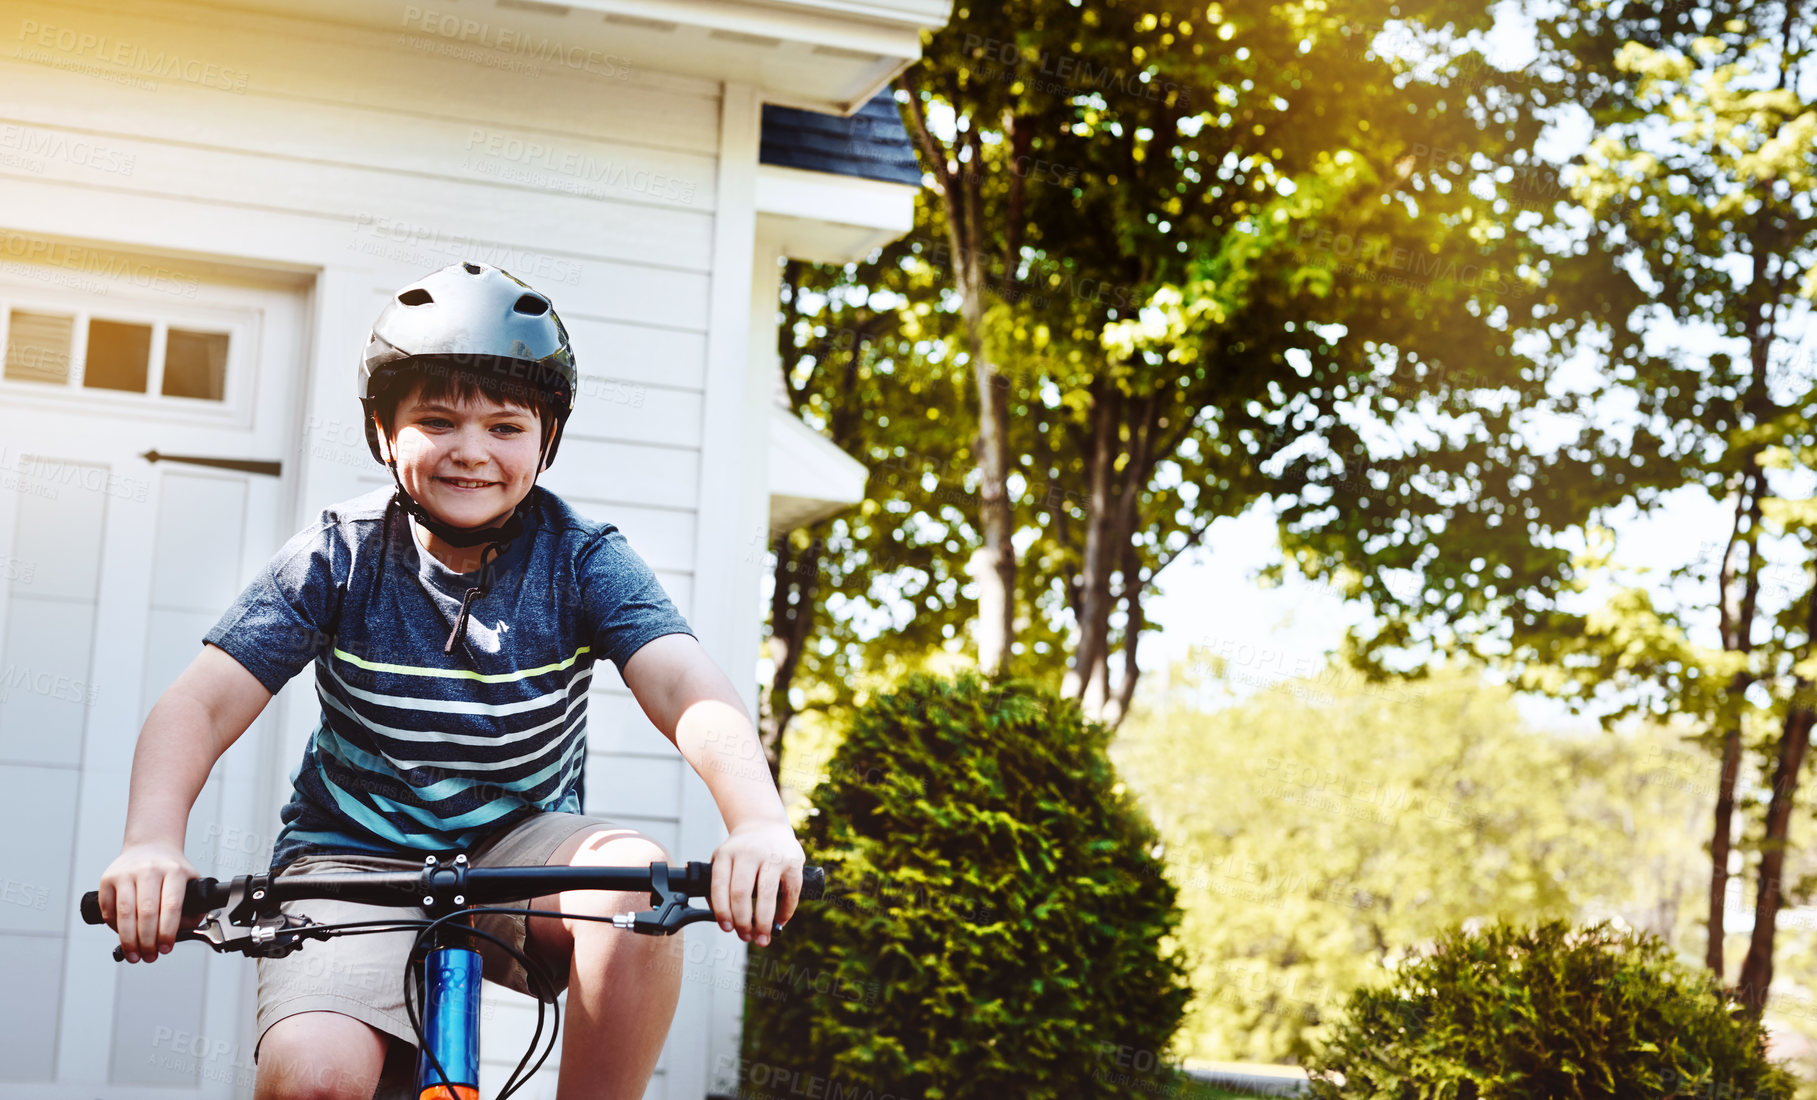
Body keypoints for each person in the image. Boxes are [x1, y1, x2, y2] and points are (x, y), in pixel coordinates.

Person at [93, 261, 804, 1100]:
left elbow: (687, 689)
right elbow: (201, 703)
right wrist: (150, 840)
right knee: (315, 1080)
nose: (472, 452)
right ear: (383, 433)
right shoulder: (339, 554)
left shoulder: (582, 558)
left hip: (520, 849)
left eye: (506, 427)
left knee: (632, 884)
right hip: (352, 862)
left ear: (547, 439)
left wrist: (756, 820)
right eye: (437, 420)